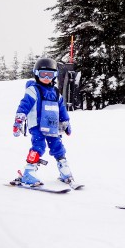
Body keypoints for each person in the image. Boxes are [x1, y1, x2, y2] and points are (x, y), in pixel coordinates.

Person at [12, 57, 75, 186]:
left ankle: (64, 170)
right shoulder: (33, 90)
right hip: (37, 125)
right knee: (39, 146)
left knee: (58, 146)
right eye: (43, 74)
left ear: (55, 75)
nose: (46, 77)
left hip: (52, 126)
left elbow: (62, 109)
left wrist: (65, 123)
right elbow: (24, 105)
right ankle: (29, 172)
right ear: (36, 74)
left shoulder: (56, 93)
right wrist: (19, 121)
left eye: (50, 74)